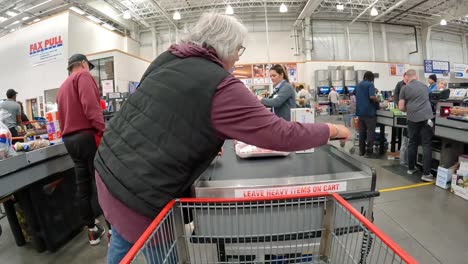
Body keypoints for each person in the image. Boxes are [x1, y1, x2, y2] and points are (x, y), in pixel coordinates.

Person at [94, 13, 351, 263]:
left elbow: (158, 111)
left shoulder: (168, 58)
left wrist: (201, 140)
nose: (239, 57)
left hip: (108, 166)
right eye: (239, 49)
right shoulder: (220, 84)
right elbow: (280, 134)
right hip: (142, 193)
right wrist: (332, 130)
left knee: (122, 238)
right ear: (226, 47)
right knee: (162, 250)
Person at [57, 54, 107, 245]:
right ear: (84, 64)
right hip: (87, 137)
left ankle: (92, 231)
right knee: (102, 184)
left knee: (83, 186)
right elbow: (91, 107)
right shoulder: (83, 77)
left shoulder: (62, 86)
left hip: (69, 140)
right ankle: (112, 231)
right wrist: (103, 131)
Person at [398, 69, 434, 182]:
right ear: (416, 77)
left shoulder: (404, 88)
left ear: (407, 78)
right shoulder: (425, 86)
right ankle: (426, 174)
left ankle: (411, 168)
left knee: (412, 142)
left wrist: (409, 109)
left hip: (412, 118)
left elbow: (401, 107)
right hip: (426, 117)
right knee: (426, 144)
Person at [355, 71, 379, 158]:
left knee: (362, 132)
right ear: (371, 78)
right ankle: (369, 152)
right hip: (369, 113)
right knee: (370, 133)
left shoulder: (358, 85)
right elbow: (372, 97)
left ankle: (361, 151)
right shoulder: (370, 84)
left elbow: (355, 95)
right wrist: (378, 99)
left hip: (360, 112)